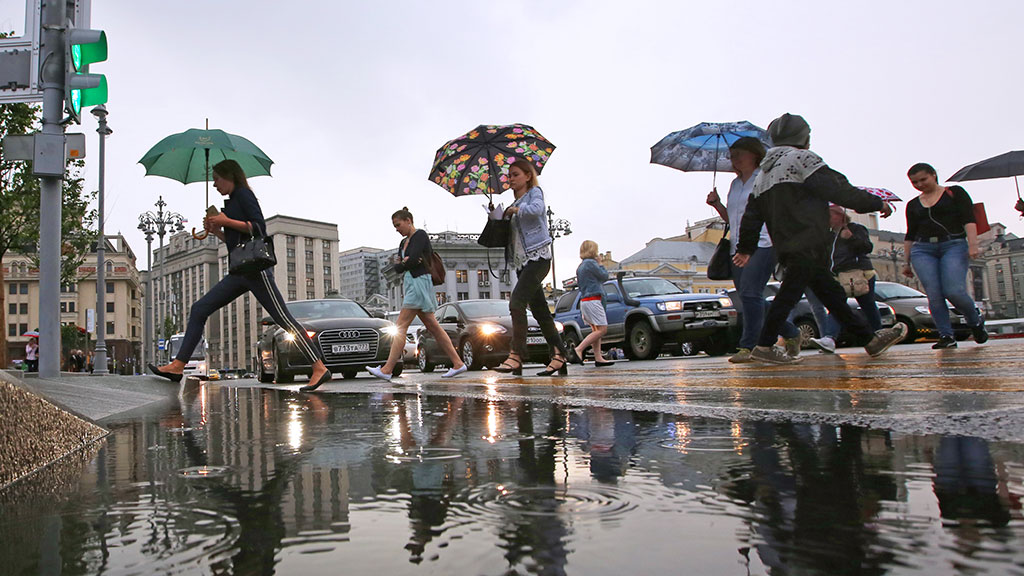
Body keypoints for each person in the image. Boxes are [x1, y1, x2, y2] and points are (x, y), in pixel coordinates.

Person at [734, 113, 907, 364]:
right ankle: (763, 345)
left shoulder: (763, 175)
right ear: (804, 138)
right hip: (810, 239)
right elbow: (837, 188)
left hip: (785, 243)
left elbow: (752, 216)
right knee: (789, 295)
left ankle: (870, 340)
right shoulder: (803, 159)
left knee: (831, 295)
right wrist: (875, 202)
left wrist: (746, 247)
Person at [148, 159, 332, 392]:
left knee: (284, 319)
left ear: (230, 176)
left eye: (216, 179)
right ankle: (178, 365)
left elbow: (258, 229)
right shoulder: (233, 201)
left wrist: (226, 221)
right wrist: (218, 231)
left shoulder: (244, 195)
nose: (214, 185)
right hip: (239, 271)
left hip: (257, 270)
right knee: (199, 309)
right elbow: (237, 242)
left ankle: (318, 367)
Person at [706, 137, 803, 363]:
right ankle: (790, 332)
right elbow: (732, 218)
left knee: (750, 294)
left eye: (739, 154)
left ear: (754, 154)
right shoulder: (735, 184)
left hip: (763, 244)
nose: (734, 159)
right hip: (737, 247)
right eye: (732, 156)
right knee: (751, 297)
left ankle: (749, 346)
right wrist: (717, 204)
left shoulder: (765, 178)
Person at [367, 208, 467, 380]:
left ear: (408, 221)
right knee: (434, 328)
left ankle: (387, 369)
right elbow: (399, 266)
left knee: (400, 326)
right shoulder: (403, 243)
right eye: (394, 226)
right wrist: (407, 262)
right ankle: (458, 364)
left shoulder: (420, 235)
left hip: (420, 282)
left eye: (398, 225)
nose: (396, 229)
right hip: (411, 282)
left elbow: (411, 260)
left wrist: (407, 262)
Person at [492, 159, 570, 377]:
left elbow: (537, 210)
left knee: (516, 303)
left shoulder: (535, 192)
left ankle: (517, 355)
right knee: (541, 312)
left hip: (539, 258)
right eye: (509, 176)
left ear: (527, 176)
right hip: (522, 262)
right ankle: (559, 355)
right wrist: (497, 216)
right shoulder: (513, 202)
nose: (511, 179)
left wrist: (516, 209)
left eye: (515, 174)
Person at [902, 163, 987, 349]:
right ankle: (946, 336)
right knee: (934, 294)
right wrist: (906, 262)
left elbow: (968, 219)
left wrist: (973, 245)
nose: (919, 185)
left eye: (923, 179)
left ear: (934, 175)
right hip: (922, 249)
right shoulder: (913, 204)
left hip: (953, 244)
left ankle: (974, 320)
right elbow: (910, 234)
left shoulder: (954, 193)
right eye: (914, 182)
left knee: (954, 290)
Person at [808, 205, 884, 353]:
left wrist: (851, 239)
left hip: (859, 273)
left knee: (867, 304)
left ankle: (878, 334)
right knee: (837, 305)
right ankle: (830, 338)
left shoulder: (856, 229)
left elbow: (866, 247)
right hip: (838, 275)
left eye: (828, 216)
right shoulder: (829, 235)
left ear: (839, 216)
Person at [566, 240, 613, 367]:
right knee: (602, 330)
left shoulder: (581, 266)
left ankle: (598, 357)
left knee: (595, 330)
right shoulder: (592, 264)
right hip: (594, 300)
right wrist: (600, 264)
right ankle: (579, 349)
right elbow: (604, 277)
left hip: (585, 301)